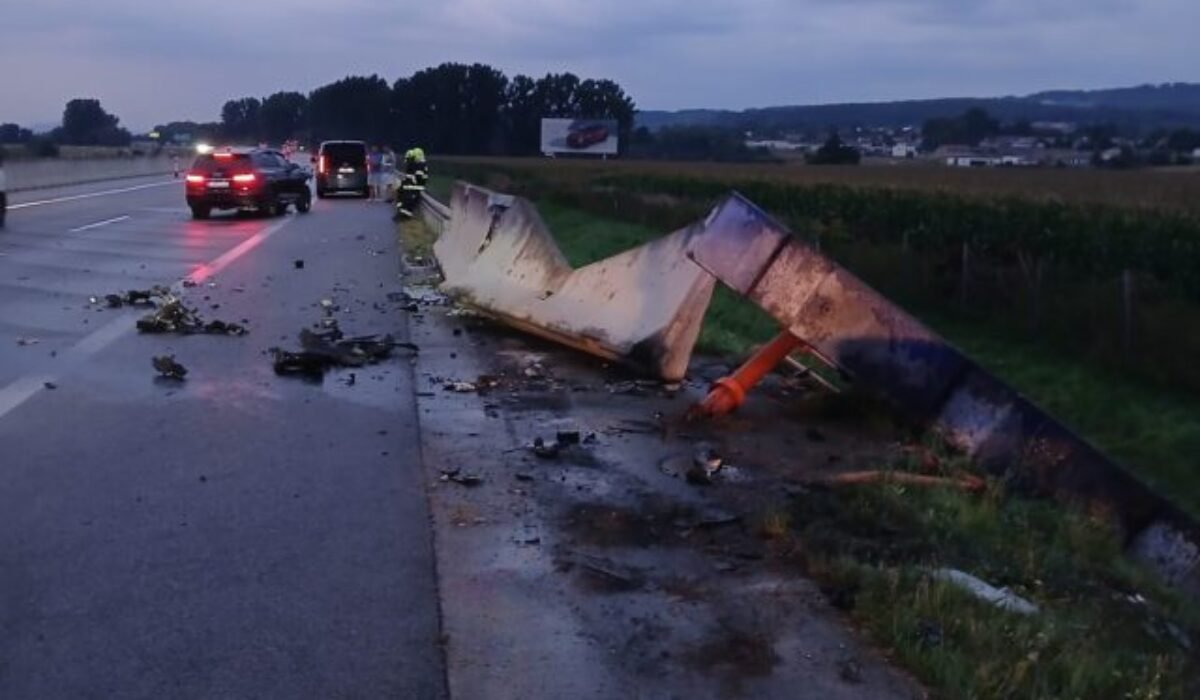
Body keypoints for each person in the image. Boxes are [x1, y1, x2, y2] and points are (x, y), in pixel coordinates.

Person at [394, 147, 428, 220]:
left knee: (407, 201)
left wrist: (410, 182)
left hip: (414, 187)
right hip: (410, 186)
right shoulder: (417, 164)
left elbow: (418, 178)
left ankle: (403, 215)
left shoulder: (420, 165)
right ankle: (401, 212)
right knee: (401, 194)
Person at [0, 149, 7, 229]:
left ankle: (1, 220)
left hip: (2, 191)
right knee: (2, 206)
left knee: (2, 207)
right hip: (1, 192)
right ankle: (1, 221)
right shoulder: (1, 171)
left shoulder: (1, 171)